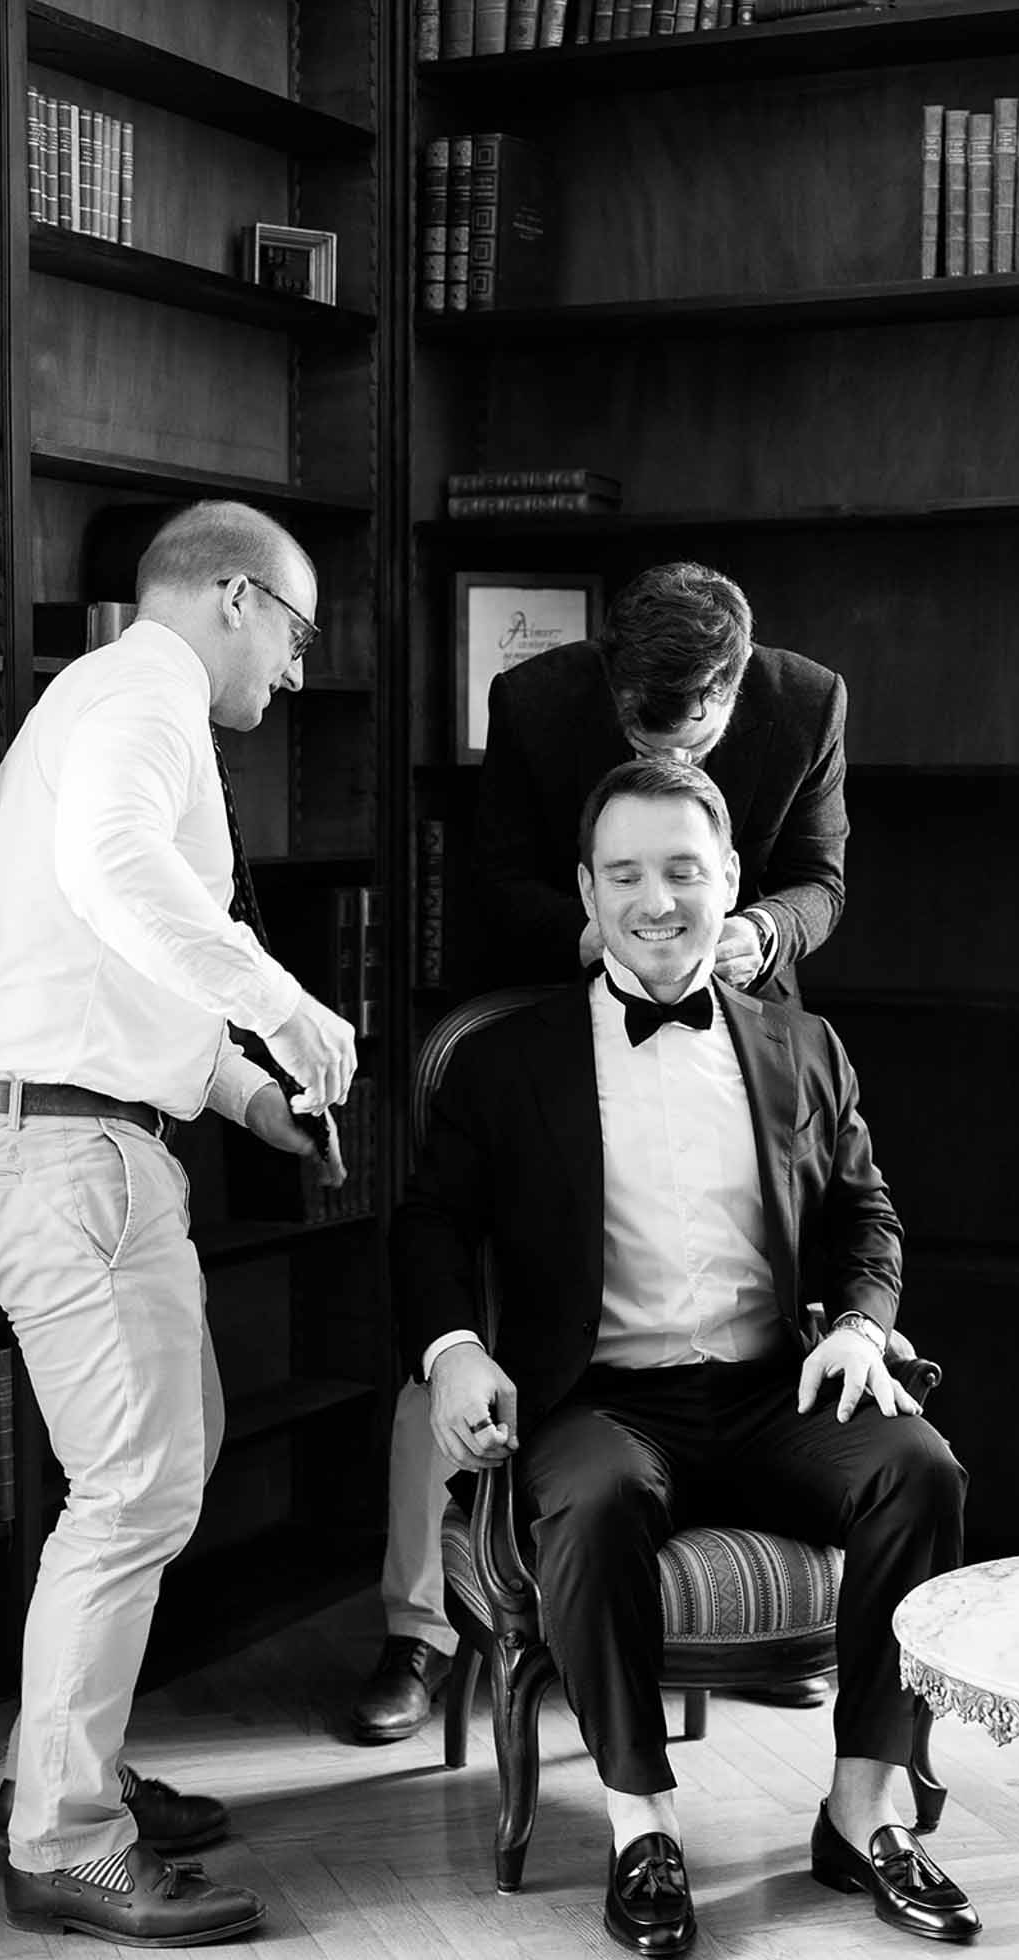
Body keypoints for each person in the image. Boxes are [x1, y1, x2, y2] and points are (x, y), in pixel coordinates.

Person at [390, 756, 978, 1958]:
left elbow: (868, 1216)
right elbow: (429, 1226)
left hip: (775, 1389)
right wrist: (453, 1349)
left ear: (727, 881)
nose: (656, 901)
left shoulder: (803, 1045)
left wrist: (862, 1326)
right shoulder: (511, 1061)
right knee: (597, 1494)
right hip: (602, 1398)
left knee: (924, 1470)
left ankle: (860, 1812)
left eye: (681, 870)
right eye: (625, 874)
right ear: (586, 891)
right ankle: (640, 1826)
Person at [0, 500, 355, 1947]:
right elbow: (123, 882)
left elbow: (107, 959)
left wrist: (245, 1101)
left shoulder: (106, 700)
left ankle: (62, 1773)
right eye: (295, 632)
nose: (295, 671)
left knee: (149, 1476)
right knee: (133, 1493)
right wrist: (284, 1004)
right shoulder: (146, 692)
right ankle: (63, 1837)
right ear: (234, 598)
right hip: (64, 1153)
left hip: (57, 1135)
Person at [353, 560, 850, 1742]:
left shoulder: (810, 703)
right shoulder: (533, 700)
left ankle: (735, 1618)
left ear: (737, 687)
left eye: (695, 729)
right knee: (480, 1319)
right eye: (642, 726)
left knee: (765, 1280)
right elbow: (491, 881)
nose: (669, 747)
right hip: (553, 1023)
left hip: (733, 1009)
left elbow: (823, 882)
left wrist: (759, 928)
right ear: (607, 681)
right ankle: (418, 1630)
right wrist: (607, 925)